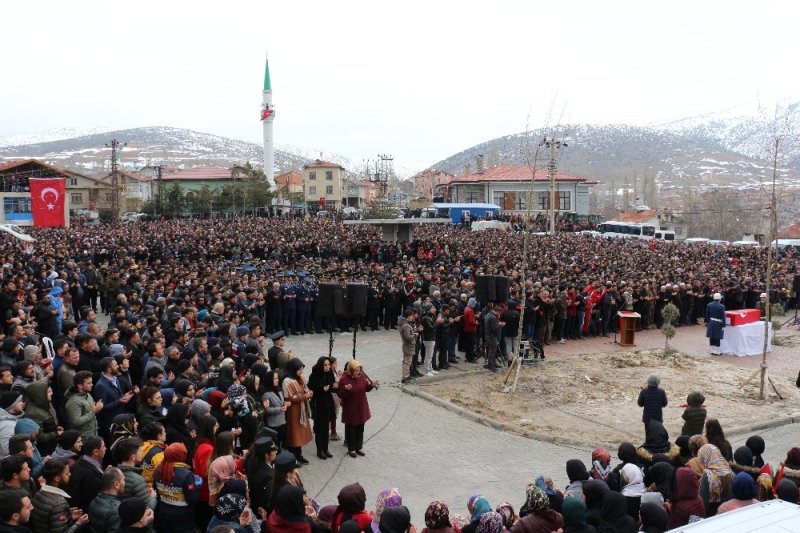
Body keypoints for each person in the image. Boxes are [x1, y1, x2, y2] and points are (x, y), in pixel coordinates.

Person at [30, 458, 89, 533]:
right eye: (67, 474)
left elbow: (47, 519)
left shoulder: (38, 493)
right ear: (57, 478)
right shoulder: (59, 504)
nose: (70, 474)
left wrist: (67, 515)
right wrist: (79, 523)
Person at [154, 442, 200, 533]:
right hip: (182, 517)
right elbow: (192, 499)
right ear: (180, 456)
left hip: (163, 512)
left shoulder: (158, 470)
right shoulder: (186, 474)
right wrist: (197, 485)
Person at [337, 360, 378, 458]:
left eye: (359, 370)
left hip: (361, 406)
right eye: (356, 370)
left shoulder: (362, 376)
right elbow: (341, 395)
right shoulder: (344, 379)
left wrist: (371, 385)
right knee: (351, 429)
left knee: (360, 427)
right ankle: (351, 449)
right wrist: (346, 390)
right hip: (350, 408)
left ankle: (359, 447)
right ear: (350, 370)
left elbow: (365, 388)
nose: (358, 372)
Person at [282, 358, 313, 465]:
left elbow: (304, 389)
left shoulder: (298, 378)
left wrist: (307, 393)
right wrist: (304, 396)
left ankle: (299, 455)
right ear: (293, 369)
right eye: (299, 369)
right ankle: (292, 458)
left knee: (299, 434)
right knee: (294, 434)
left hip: (300, 409)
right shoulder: (287, 381)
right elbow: (289, 398)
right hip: (293, 411)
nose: (301, 371)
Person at [307, 356, 335, 460]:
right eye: (325, 365)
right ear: (321, 365)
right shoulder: (314, 375)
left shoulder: (330, 374)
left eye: (328, 365)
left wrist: (333, 386)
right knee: (319, 429)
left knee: (326, 428)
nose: (327, 367)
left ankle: (326, 449)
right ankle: (320, 450)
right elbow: (311, 387)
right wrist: (321, 388)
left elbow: (332, 386)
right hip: (318, 403)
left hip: (327, 403)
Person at [68, 436, 105, 512]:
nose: (105, 449)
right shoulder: (90, 475)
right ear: (96, 452)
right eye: (103, 446)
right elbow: (95, 500)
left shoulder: (84, 459)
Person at [87, 467, 125, 533]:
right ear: (116, 484)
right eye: (123, 480)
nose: (125, 483)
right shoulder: (116, 511)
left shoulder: (94, 501)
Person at [398, 309, 417, 384]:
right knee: (407, 362)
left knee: (406, 361)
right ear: (409, 316)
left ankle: (406, 376)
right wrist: (414, 335)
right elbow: (407, 337)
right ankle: (405, 377)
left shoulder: (405, 324)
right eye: (412, 316)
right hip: (408, 346)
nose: (412, 317)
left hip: (407, 346)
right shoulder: (406, 326)